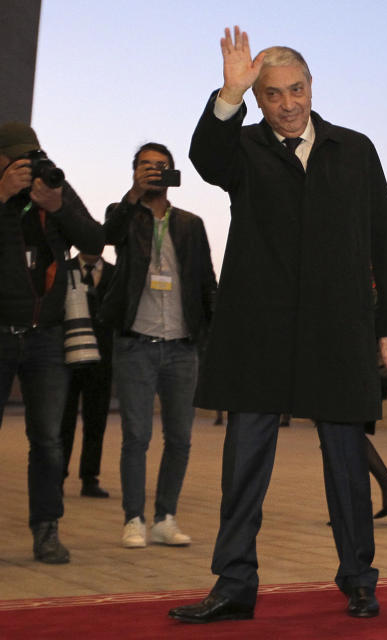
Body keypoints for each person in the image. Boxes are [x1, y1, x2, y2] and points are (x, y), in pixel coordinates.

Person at [169, 27, 387, 624]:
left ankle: (358, 578)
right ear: (259, 100)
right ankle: (234, 584)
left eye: (295, 89)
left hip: (337, 329)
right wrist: (227, 94)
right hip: (260, 331)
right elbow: (205, 157)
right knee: (244, 464)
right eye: (272, 94)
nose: (286, 103)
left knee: (347, 464)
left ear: (312, 86)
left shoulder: (355, 149)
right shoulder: (244, 150)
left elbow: (385, 234)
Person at [101, 142, 218, 549]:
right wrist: (132, 196)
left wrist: (214, 338)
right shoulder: (125, 218)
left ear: (173, 174)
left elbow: (206, 283)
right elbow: (105, 237)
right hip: (137, 343)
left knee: (181, 438)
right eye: (146, 167)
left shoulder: (191, 223)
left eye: (161, 167)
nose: (154, 172)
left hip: (183, 346)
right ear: (134, 172)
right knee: (136, 436)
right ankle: (133, 518)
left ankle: (165, 517)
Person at [0, 121, 105, 564]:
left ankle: (47, 531)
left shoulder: (54, 190)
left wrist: (59, 207)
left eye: (33, 156)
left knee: (48, 439)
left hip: (47, 337)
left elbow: (96, 240)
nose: (28, 166)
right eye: (18, 158)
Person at [60, 251, 115, 498]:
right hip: (68, 355)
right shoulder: (65, 268)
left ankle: (90, 477)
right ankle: (57, 476)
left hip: (102, 358)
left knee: (97, 419)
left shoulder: (114, 273)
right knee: (64, 420)